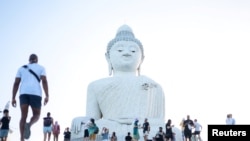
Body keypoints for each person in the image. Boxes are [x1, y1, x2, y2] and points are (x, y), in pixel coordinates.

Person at [70, 24, 181, 141]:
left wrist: (137, 124)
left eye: (133, 50)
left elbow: (159, 121)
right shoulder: (95, 86)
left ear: (142, 59)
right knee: (80, 130)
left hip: (140, 128)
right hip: (109, 127)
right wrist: (81, 120)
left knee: (175, 132)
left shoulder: (153, 85)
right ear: (108, 57)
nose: (127, 52)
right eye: (120, 50)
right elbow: (93, 120)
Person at [11, 53, 49, 141]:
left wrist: (13, 97)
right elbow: (44, 81)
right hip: (35, 94)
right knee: (37, 114)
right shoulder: (41, 68)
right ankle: (30, 124)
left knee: (23, 116)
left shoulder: (21, 68)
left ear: (29, 60)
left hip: (23, 93)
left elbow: (16, 83)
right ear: (37, 60)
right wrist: (47, 95)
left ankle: (21, 139)